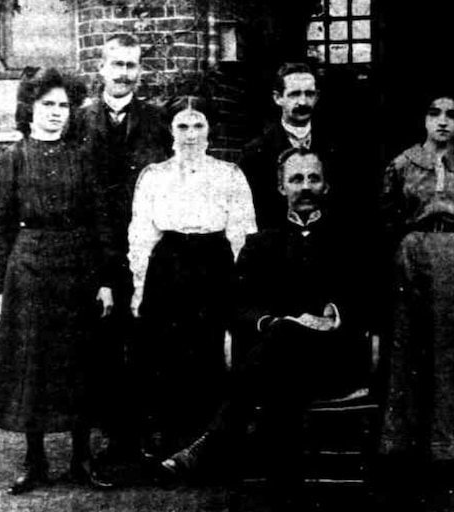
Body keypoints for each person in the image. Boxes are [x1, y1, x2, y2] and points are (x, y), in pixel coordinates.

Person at [158, 148, 370, 487]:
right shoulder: (260, 244)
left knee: (280, 349)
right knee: (283, 339)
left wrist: (333, 315)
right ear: (281, 188)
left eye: (313, 178)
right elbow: (236, 305)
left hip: (331, 362)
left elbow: (368, 298)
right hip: (277, 363)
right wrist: (274, 323)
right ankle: (283, 485)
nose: (305, 186)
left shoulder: (348, 243)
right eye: (296, 179)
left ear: (326, 186)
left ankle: (213, 443)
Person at [0, 68, 116, 494]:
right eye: (47, 105)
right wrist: (0, 286)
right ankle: (34, 460)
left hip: (77, 268)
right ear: (30, 109)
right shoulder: (13, 158)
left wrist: (106, 279)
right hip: (29, 269)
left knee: (79, 363)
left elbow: (102, 223)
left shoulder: (83, 155)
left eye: (63, 105)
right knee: (31, 366)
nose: (56, 113)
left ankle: (81, 459)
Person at [127, 95, 257, 461]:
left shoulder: (228, 174)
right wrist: (139, 288)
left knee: (209, 348)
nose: (190, 134)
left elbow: (242, 234)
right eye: (182, 126)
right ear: (170, 130)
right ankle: (168, 442)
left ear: (210, 129)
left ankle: (207, 446)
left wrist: (239, 284)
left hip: (213, 263)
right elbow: (141, 236)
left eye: (198, 125)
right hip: (168, 265)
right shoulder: (154, 176)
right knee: (166, 352)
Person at [378, 93, 454, 483]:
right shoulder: (402, 163)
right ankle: (405, 445)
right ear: (423, 119)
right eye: (434, 113)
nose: (443, 121)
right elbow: (388, 211)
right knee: (410, 345)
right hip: (413, 253)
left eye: (451, 115)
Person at [71, 33, 172, 464]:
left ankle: (147, 428)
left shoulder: (156, 119)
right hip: (96, 245)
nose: (124, 73)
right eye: (117, 64)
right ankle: (113, 433)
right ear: (102, 68)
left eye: (131, 65)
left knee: (148, 333)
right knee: (103, 340)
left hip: (145, 239)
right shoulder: (80, 120)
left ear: (140, 71)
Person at [239, 63, 343, 230]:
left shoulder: (338, 147)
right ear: (278, 98)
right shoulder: (256, 152)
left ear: (317, 97)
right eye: (294, 94)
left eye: (309, 94)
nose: (302, 102)